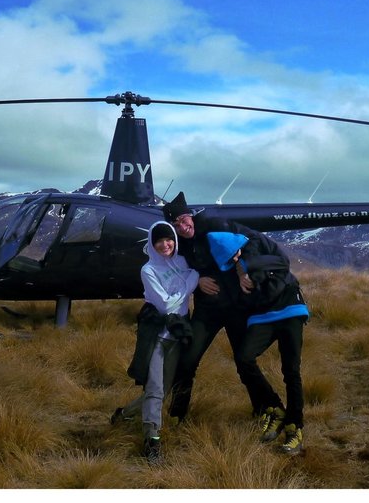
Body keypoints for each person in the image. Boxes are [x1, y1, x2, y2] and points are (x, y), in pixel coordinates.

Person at [161, 192, 285, 425]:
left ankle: (268, 408)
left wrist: (243, 271)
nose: (182, 227)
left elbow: (252, 241)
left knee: (244, 361)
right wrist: (197, 280)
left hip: (236, 307)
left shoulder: (214, 224)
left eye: (183, 220)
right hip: (207, 312)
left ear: (190, 215)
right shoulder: (179, 244)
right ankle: (177, 416)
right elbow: (177, 270)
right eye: (175, 225)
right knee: (187, 360)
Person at [207, 230, 310, 455]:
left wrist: (251, 272)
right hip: (262, 317)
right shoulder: (232, 271)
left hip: (290, 310)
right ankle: (274, 407)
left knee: (291, 370)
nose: (233, 259)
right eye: (228, 258)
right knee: (244, 358)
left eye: (233, 254)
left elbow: (283, 263)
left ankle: (295, 427)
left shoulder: (258, 250)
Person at [112, 220, 198, 465]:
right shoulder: (148, 270)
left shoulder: (182, 262)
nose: (165, 244)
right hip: (156, 335)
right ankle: (152, 442)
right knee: (156, 390)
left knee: (163, 391)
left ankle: (124, 414)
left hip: (177, 334)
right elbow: (165, 304)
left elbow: (194, 277)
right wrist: (188, 285)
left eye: (168, 239)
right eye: (159, 240)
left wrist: (187, 284)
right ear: (152, 242)